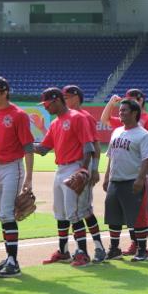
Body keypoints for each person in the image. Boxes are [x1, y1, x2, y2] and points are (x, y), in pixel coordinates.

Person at [34, 88, 96, 267]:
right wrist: (23, 144)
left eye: (46, 104)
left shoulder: (77, 118)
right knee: (60, 213)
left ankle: (83, 253)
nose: (45, 108)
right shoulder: (55, 123)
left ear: (56, 101)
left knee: (73, 213)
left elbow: (88, 147)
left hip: (74, 167)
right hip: (60, 168)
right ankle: (63, 252)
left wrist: (83, 170)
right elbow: (44, 149)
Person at [0, 77, 35, 278]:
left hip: (13, 167)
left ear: (5, 92)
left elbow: (28, 147)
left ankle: (13, 261)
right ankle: (9, 257)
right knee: (2, 214)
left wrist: (29, 178)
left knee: (6, 213)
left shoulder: (18, 115)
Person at [101, 88, 148, 258]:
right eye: (120, 110)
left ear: (135, 113)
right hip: (115, 180)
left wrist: (141, 179)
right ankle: (114, 249)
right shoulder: (117, 131)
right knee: (113, 216)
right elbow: (111, 156)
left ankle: (142, 250)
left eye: (124, 110)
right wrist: (106, 178)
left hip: (133, 180)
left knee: (139, 216)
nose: (121, 113)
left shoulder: (143, 135)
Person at [62, 85, 107, 263]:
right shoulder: (67, 117)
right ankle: (89, 248)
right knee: (79, 210)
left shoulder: (85, 117)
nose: (65, 99)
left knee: (84, 210)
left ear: (76, 98)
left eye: (68, 97)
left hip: (83, 168)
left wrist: (94, 169)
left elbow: (95, 145)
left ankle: (97, 247)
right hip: (71, 169)